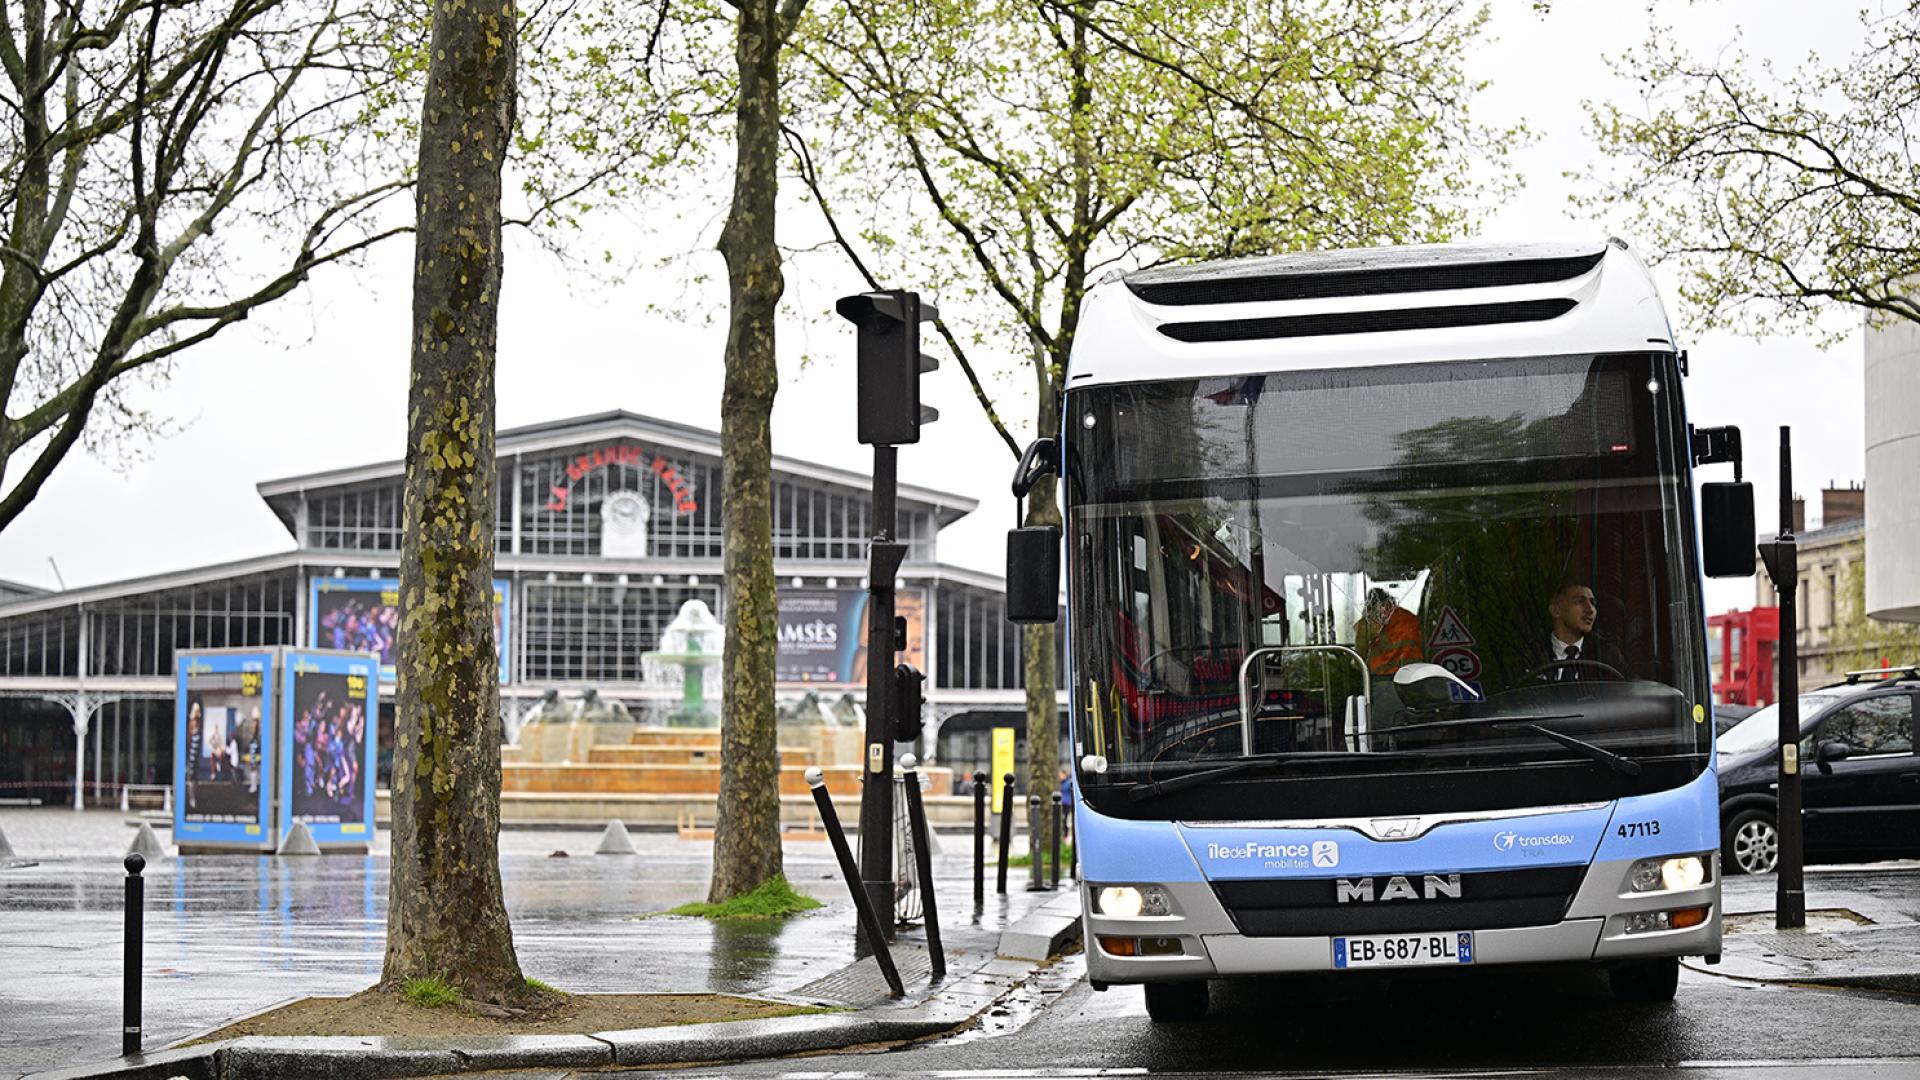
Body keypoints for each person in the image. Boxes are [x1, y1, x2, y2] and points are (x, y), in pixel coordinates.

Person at [1542, 579, 1627, 682]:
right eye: (1579, 601)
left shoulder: (1607, 656)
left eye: (1592, 603)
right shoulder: (1532, 654)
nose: (1590, 609)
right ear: (1556, 610)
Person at [1354, 587, 1422, 676]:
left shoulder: (1371, 620)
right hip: (1414, 674)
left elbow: (1360, 651)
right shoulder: (1409, 618)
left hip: (1383, 676)